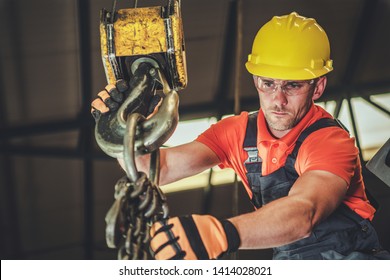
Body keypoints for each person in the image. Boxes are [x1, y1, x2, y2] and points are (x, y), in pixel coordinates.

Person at [91, 12, 390, 260]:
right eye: (268, 83)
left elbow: (304, 213)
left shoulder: (329, 141)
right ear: (255, 80)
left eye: (293, 86)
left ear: (319, 87)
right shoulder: (237, 132)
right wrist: (122, 131)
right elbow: (156, 170)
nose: (278, 99)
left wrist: (222, 233)